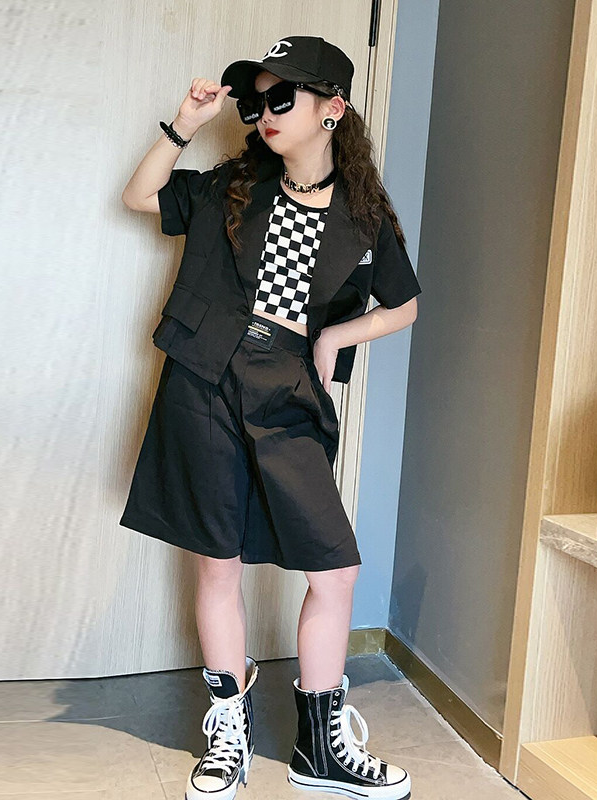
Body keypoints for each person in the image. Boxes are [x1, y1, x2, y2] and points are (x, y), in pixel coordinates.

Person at [119, 35, 419, 800]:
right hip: (205, 380)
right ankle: (229, 730)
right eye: (255, 102)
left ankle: (321, 749)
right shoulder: (234, 185)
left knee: (335, 568)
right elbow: (140, 196)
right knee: (217, 560)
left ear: (333, 108)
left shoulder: (363, 214)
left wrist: (337, 337)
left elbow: (404, 305)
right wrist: (185, 124)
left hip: (287, 389)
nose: (263, 114)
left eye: (282, 97)